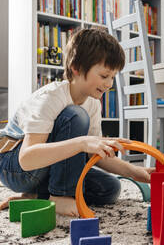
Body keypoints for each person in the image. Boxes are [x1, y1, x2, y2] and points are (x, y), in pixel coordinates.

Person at [0, 28, 153, 217]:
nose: (110, 84)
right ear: (76, 68)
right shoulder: (51, 97)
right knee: (75, 116)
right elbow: (27, 159)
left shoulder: (94, 104)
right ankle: (60, 196)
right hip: (14, 167)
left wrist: (134, 171)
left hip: (45, 168)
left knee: (110, 188)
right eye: (104, 76)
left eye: (113, 77)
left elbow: (93, 154)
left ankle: (38, 196)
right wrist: (82, 143)